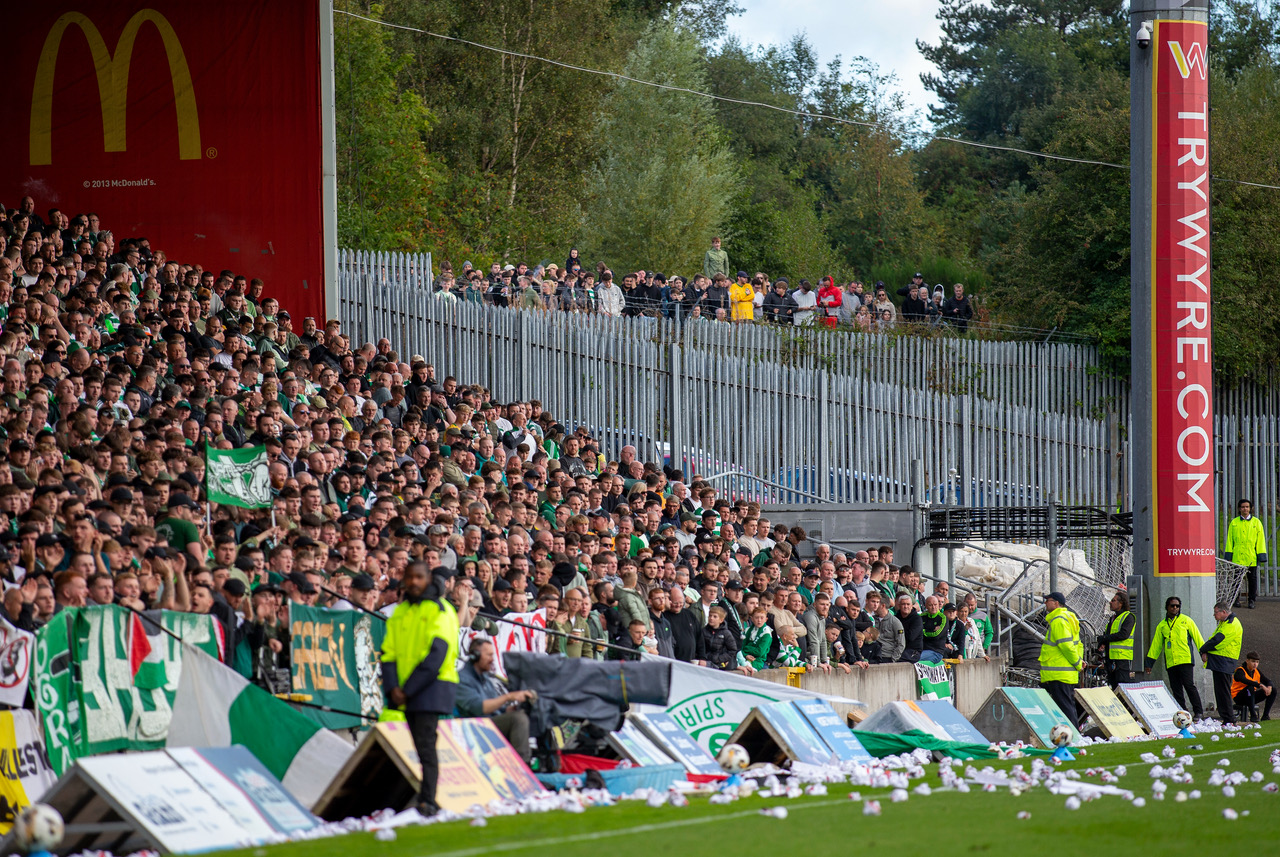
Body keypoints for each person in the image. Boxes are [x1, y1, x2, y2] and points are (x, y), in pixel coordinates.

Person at [380, 563, 460, 817]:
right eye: (410, 577)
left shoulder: (440, 609)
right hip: (406, 689)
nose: (414, 582)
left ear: (428, 579)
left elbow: (437, 653)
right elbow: (388, 652)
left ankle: (428, 801)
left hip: (432, 686)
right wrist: (393, 687)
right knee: (416, 746)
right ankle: (414, 798)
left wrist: (406, 690)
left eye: (419, 577)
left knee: (425, 746)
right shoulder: (401, 611)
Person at [455, 638, 534, 763]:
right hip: (475, 727)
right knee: (518, 719)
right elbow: (479, 708)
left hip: (489, 723)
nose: (492, 659)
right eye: (489, 655)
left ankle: (548, 761)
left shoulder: (486, 678)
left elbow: (498, 708)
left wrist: (515, 707)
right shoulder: (462, 678)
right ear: (475, 656)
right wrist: (508, 697)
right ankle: (521, 765)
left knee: (527, 713)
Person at [1145, 595, 1205, 720]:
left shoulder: (1186, 620)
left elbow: (1197, 637)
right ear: (1167, 607)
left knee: (1189, 685)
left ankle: (1198, 711)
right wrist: (1149, 663)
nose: (1175, 608)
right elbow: (1156, 645)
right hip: (1171, 661)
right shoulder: (1162, 625)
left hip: (1185, 660)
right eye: (1172, 606)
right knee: (1176, 689)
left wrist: (1203, 653)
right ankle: (1183, 712)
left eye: (1177, 606)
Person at [1039, 591, 1083, 727]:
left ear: (1056, 603)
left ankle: (1073, 736)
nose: (1045, 603)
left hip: (1059, 673)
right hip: (1065, 673)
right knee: (1068, 707)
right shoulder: (1068, 618)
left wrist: (1078, 663)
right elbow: (1078, 645)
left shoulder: (1058, 620)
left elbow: (1066, 646)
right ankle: (1073, 734)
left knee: (1065, 709)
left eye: (1048, 600)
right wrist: (1079, 662)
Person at [1199, 601, 1243, 724]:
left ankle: (1229, 719)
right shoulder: (1224, 623)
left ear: (1223, 612)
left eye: (1216, 612)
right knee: (1220, 691)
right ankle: (1226, 718)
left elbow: (1218, 640)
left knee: (1223, 691)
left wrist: (1203, 649)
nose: (1214, 615)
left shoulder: (1231, 623)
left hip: (1225, 661)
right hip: (1220, 661)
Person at [1224, 499, 1266, 609]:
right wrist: (1229, 555)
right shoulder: (1234, 522)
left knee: (1252, 580)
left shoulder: (1256, 522)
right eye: (1243, 507)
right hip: (1238, 556)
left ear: (1250, 508)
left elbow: (1260, 540)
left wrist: (1261, 555)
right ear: (1239, 509)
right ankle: (1236, 599)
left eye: (1247, 507)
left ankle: (1252, 600)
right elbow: (1230, 540)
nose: (1245, 509)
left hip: (1251, 556)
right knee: (1236, 580)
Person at [1095, 590, 1136, 689]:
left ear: (1121, 603)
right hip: (1111, 658)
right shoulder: (1113, 618)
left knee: (1122, 686)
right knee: (1113, 686)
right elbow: (1109, 634)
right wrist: (1103, 643)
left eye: (1113, 600)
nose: (1110, 602)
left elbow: (1124, 634)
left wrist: (1105, 638)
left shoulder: (1128, 617)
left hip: (1122, 659)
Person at [1232, 651, 1274, 721]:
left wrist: (1269, 687)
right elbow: (1245, 680)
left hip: (1251, 696)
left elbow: (1268, 681)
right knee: (1250, 688)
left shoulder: (1256, 671)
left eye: (1257, 662)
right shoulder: (1240, 671)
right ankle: (1253, 715)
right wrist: (1260, 685)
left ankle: (1265, 716)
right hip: (1239, 697)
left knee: (1273, 690)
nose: (1255, 664)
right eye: (1253, 661)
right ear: (1247, 661)